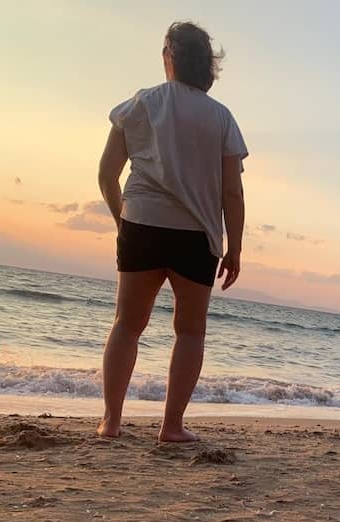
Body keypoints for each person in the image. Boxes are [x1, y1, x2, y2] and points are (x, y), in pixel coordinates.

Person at [96, 21, 248, 442]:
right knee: (190, 331)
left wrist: (122, 220)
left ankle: (111, 421)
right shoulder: (221, 118)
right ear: (208, 66)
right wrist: (235, 248)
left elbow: (107, 175)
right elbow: (232, 193)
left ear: (169, 58)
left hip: (142, 223)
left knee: (127, 324)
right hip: (196, 236)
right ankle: (172, 425)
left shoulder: (141, 103)